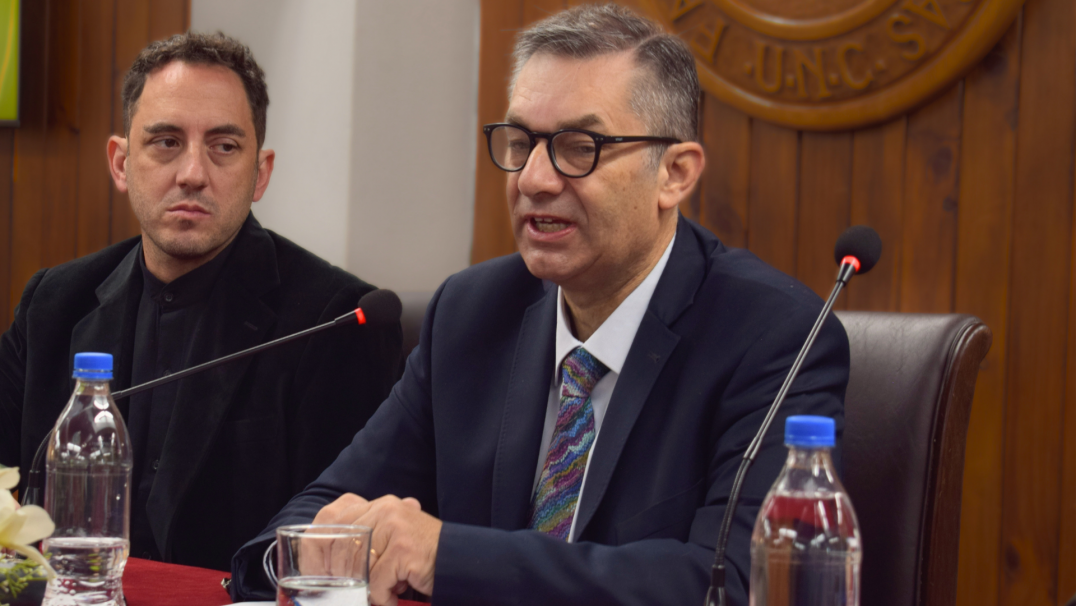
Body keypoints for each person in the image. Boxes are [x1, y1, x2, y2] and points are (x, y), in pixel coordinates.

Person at [231, 5, 849, 605]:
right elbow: (316, 514)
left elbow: (730, 585)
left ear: (675, 174)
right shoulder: (472, 313)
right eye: (521, 141)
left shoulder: (773, 336)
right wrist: (304, 556)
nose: (533, 179)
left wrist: (448, 557)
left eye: (580, 146)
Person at [0, 32, 402, 572]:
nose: (192, 173)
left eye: (224, 146)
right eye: (166, 142)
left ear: (260, 173)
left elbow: (339, 543)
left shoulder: (335, 319)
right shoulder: (53, 303)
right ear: (121, 163)